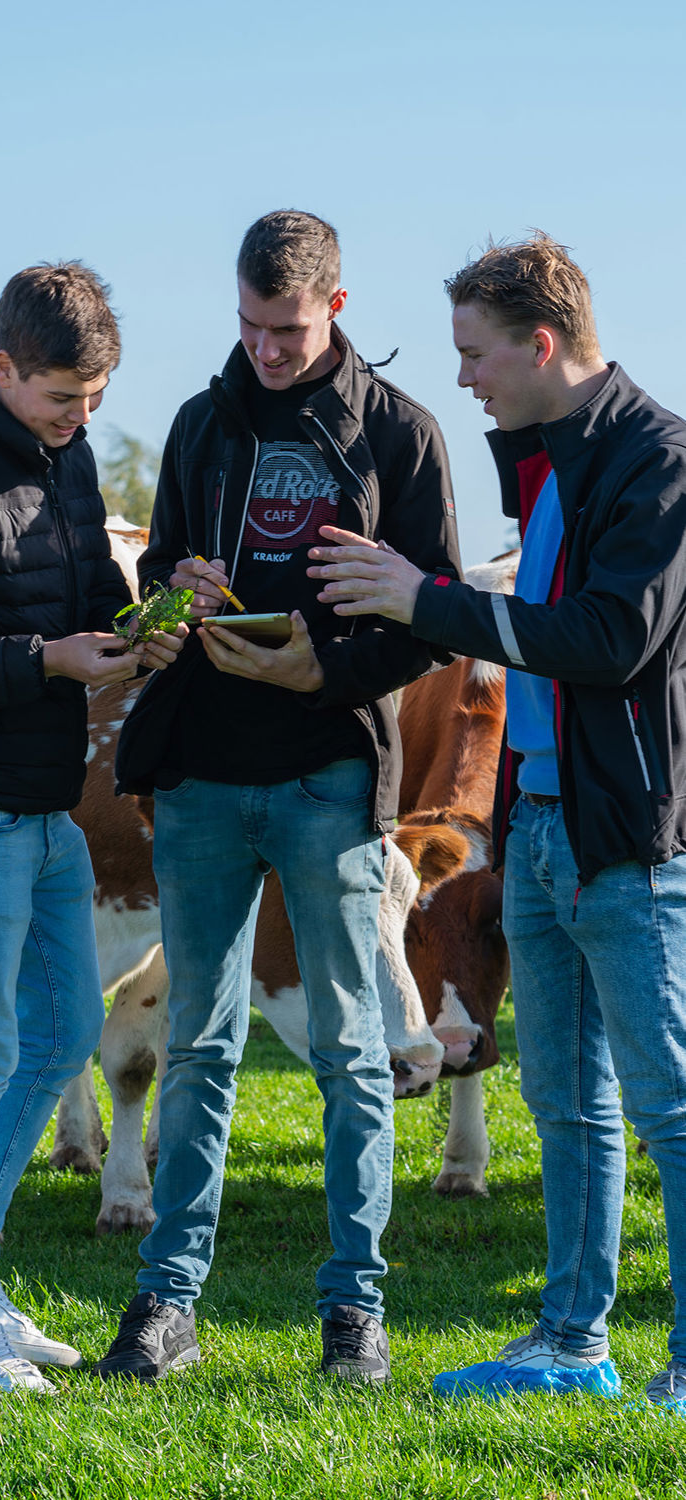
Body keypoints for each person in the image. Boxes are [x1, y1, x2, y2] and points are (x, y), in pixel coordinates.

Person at [310, 233, 686, 1413]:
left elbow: (611, 640)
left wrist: (432, 601)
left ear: (542, 342)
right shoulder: (552, 462)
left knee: (668, 1101)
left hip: (627, 836)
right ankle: (573, 1341)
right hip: (538, 821)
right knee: (564, 1097)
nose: (462, 377)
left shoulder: (659, 462)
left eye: (475, 353)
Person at [99, 210, 462, 1385]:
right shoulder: (202, 424)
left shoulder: (402, 434)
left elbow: (433, 613)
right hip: (204, 770)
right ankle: (167, 1303)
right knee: (200, 1042)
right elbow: (153, 576)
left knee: (354, 1050)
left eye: (289, 329)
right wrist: (179, 584)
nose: (265, 348)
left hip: (329, 771)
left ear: (338, 310)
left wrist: (330, 666)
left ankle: (355, 1309)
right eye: (250, 326)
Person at [0, 262, 185, 1394]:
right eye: (63, 398)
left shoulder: (65, 457)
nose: (80, 419)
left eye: (95, 401)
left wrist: (149, 616)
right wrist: (48, 661)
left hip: (46, 803)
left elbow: (89, 594)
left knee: (58, 1037)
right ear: (2, 367)